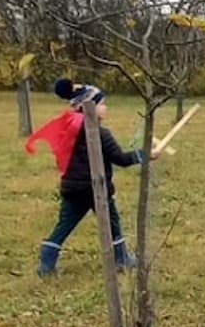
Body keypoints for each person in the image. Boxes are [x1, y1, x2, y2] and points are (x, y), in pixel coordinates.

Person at [29, 78, 142, 276]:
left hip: (71, 188)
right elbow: (121, 159)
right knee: (113, 222)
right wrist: (144, 154)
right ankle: (122, 259)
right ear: (90, 106)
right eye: (102, 103)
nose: (106, 107)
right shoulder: (99, 133)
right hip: (96, 189)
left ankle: (46, 262)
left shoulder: (69, 131)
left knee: (64, 225)